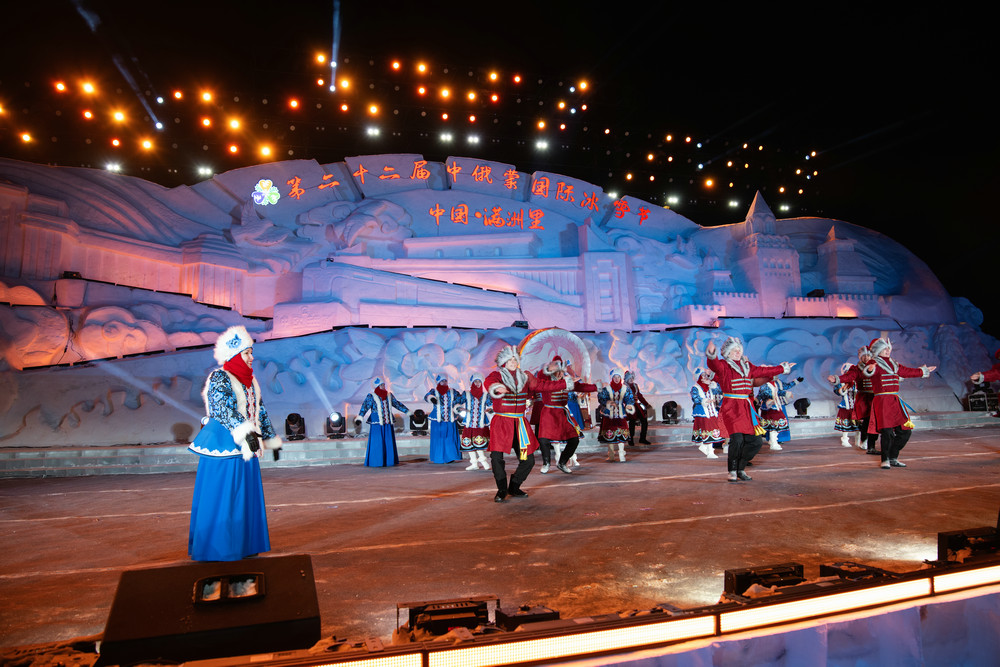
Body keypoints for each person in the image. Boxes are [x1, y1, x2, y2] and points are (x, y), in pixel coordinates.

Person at [188, 326, 282, 562]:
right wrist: (245, 432)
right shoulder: (220, 377)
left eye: (251, 353)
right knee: (224, 496)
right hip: (224, 445)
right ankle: (218, 548)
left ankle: (244, 544)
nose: (251, 358)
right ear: (235, 354)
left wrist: (270, 439)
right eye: (247, 353)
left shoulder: (251, 381)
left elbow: (260, 411)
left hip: (247, 445)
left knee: (244, 497)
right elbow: (222, 409)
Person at [484, 345, 574, 502]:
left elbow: (543, 385)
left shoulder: (525, 376)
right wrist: (497, 388)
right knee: (497, 458)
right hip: (502, 424)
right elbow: (489, 382)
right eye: (510, 360)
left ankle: (514, 487)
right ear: (504, 362)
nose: (513, 362)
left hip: (520, 425)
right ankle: (501, 490)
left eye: (515, 359)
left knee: (528, 459)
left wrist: (564, 384)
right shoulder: (497, 375)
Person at [829, 337, 936, 469]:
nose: (887, 350)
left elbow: (906, 371)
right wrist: (838, 379)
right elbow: (858, 373)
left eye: (888, 348)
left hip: (895, 401)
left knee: (905, 431)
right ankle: (884, 459)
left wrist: (923, 371)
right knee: (886, 431)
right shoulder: (873, 363)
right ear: (878, 350)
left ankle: (892, 456)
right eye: (884, 349)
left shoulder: (894, 363)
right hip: (882, 401)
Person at [707, 337, 795, 482]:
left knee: (756, 442)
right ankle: (732, 471)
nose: (737, 352)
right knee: (737, 439)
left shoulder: (747, 366)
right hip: (731, 407)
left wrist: (782, 368)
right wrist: (711, 354)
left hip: (747, 408)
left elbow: (762, 370)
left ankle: (741, 468)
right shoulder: (724, 365)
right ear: (727, 353)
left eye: (739, 350)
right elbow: (713, 364)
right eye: (734, 350)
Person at [532, 355, 597, 474]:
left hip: (562, 413)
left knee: (574, 439)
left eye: (562, 371)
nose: (560, 373)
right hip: (548, 413)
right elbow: (541, 376)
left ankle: (562, 462)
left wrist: (597, 387)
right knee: (544, 439)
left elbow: (581, 387)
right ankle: (546, 463)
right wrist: (549, 368)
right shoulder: (546, 380)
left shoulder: (567, 381)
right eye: (558, 370)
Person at [357, 378, 409, 467]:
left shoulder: (389, 395)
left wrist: (408, 412)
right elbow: (365, 406)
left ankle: (388, 461)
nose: (384, 386)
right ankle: (376, 461)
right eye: (381, 385)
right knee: (377, 441)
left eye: (384, 384)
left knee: (388, 441)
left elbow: (397, 404)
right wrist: (360, 417)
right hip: (377, 422)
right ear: (377, 386)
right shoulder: (371, 396)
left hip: (387, 422)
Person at [597, 369, 636, 462]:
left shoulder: (625, 389)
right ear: (612, 378)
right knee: (609, 433)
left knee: (621, 432)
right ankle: (611, 454)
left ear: (621, 378)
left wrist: (629, 405)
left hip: (621, 414)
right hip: (609, 414)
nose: (616, 379)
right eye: (615, 377)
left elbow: (630, 399)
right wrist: (608, 402)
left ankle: (621, 453)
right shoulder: (606, 389)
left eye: (618, 377)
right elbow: (601, 398)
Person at [424, 375, 464, 464]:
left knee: (450, 438)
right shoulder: (434, 391)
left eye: (445, 381)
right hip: (438, 420)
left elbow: (460, 400)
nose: (444, 382)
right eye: (442, 381)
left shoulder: (453, 392)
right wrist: (432, 399)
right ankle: (439, 457)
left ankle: (450, 457)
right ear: (438, 382)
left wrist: (458, 407)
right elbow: (427, 396)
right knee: (439, 438)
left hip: (450, 419)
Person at [756, 375, 803, 450]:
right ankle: (772, 441)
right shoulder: (765, 384)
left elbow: (782, 388)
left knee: (777, 423)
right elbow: (764, 393)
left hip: (777, 405)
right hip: (769, 407)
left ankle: (776, 440)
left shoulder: (777, 382)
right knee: (772, 424)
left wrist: (796, 382)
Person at [690, 368, 724, 458]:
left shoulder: (709, 387)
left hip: (711, 411)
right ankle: (709, 451)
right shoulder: (695, 387)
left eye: (706, 375)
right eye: (702, 375)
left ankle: (706, 448)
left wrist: (712, 384)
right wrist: (704, 400)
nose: (705, 377)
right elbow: (695, 398)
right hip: (703, 412)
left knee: (712, 430)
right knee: (707, 430)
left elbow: (720, 391)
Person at [460, 373, 491, 471]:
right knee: (468, 443)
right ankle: (474, 464)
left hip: (480, 423)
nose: (477, 383)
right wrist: (459, 408)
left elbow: (491, 404)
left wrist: (490, 409)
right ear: (472, 383)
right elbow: (457, 402)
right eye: (475, 381)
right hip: (469, 423)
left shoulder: (485, 395)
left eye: (479, 381)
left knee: (479, 441)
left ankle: (484, 461)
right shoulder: (466, 394)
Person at [832, 362, 860, 448]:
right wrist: (844, 388)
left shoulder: (856, 382)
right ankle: (844, 440)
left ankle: (859, 441)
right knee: (846, 424)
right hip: (845, 406)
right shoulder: (841, 382)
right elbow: (837, 392)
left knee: (858, 425)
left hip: (856, 406)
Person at [624, 370, 652, 445]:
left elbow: (639, 395)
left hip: (636, 405)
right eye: (630, 378)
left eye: (632, 378)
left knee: (644, 421)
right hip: (629, 406)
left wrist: (646, 404)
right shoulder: (624, 387)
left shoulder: (635, 386)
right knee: (632, 422)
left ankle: (642, 438)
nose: (631, 380)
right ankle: (630, 439)